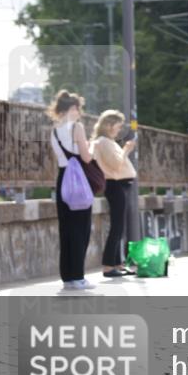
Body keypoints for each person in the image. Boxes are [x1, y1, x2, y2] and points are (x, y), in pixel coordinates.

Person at [47, 90, 95, 291]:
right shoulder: (77, 127)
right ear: (73, 108)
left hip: (63, 181)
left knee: (66, 229)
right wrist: (92, 147)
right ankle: (78, 277)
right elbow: (86, 157)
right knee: (81, 229)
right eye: (78, 109)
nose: (79, 113)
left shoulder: (54, 130)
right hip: (78, 181)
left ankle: (67, 277)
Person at [91, 109, 137, 278]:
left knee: (119, 226)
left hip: (117, 185)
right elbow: (116, 164)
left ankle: (116, 264)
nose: (119, 130)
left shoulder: (106, 141)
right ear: (109, 125)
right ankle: (109, 266)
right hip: (115, 185)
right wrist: (127, 149)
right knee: (117, 226)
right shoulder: (104, 142)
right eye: (118, 126)